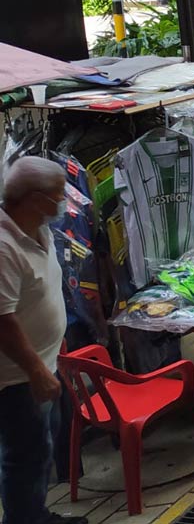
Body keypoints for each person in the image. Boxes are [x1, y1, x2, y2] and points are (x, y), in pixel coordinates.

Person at [0, 158, 87, 524]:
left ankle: (35, 514)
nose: (62, 202)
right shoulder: (4, 247)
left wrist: (56, 345)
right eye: (56, 195)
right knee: (26, 456)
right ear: (34, 198)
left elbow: (42, 292)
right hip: (17, 378)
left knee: (40, 451)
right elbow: (2, 320)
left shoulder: (36, 228)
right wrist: (36, 369)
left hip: (42, 364)